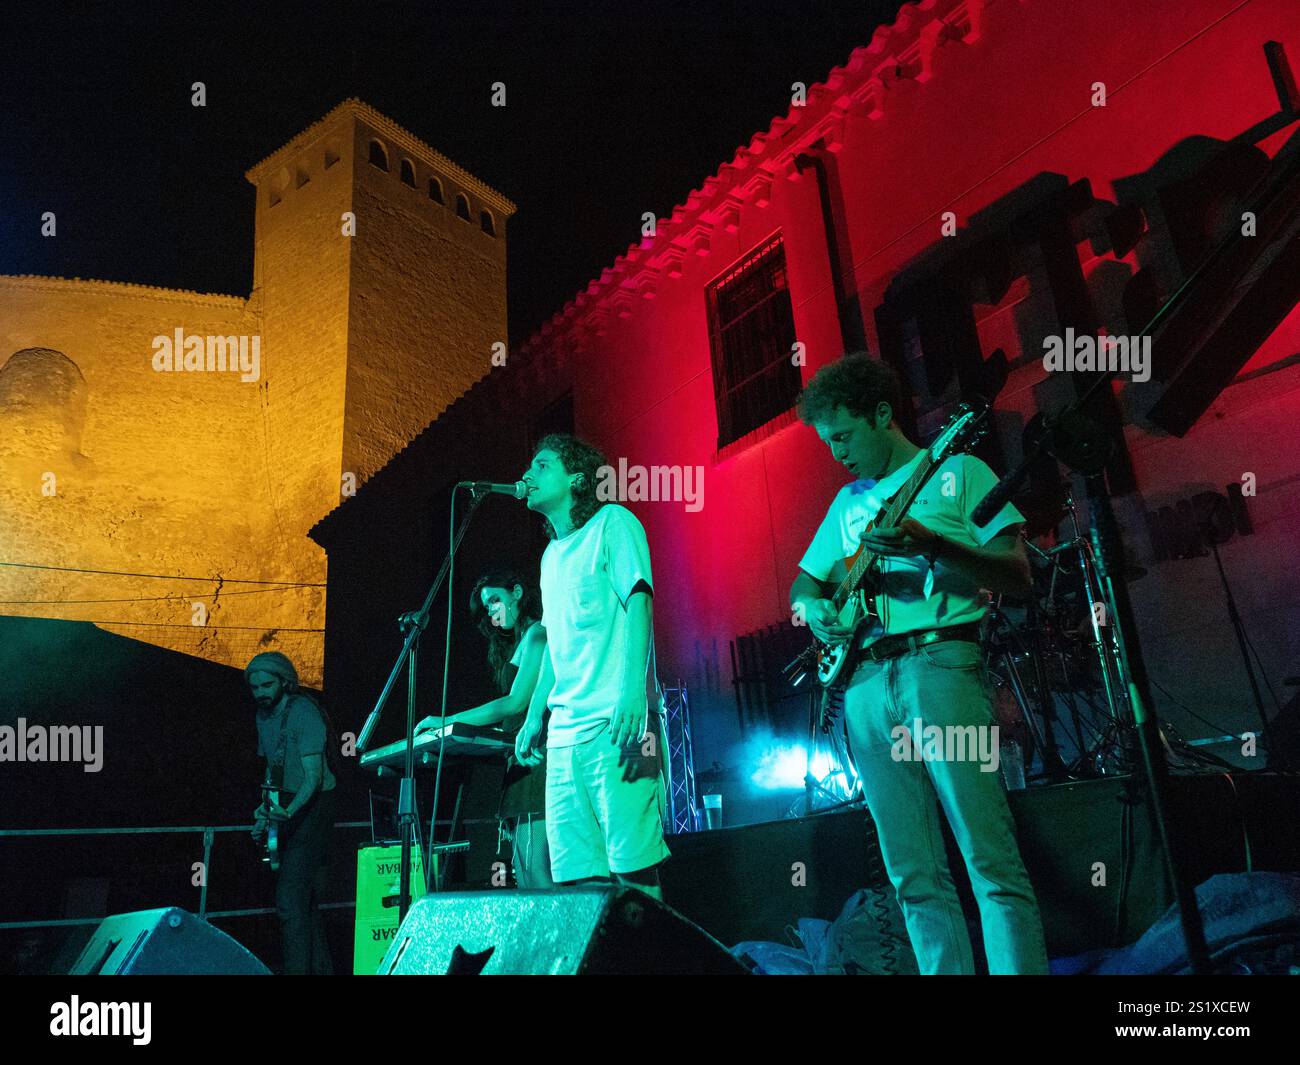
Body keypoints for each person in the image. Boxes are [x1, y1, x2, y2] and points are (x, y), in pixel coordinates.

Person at [789, 352, 1049, 975]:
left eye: (845, 436)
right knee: (912, 871)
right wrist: (814, 611)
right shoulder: (846, 503)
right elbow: (804, 586)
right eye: (829, 443)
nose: (838, 454)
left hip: (940, 664)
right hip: (865, 684)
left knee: (988, 856)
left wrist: (930, 544)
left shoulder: (959, 470)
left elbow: (1018, 574)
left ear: (883, 414)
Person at [514, 434, 669, 899]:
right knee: (581, 879)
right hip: (564, 737)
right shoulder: (549, 557)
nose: (528, 475)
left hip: (616, 723)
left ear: (577, 477)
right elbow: (557, 650)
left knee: (634, 873)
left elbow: (639, 600)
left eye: (542, 465)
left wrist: (633, 691)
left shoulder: (612, 523)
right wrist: (532, 716)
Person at [415, 568, 554, 888]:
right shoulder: (516, 643)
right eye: (487, 605)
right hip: (517, 760)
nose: (491, 610)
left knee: (536, 869)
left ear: (517, 593)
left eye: (495, 599)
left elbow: (514, 703)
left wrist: (446, 721)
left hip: (535, 756)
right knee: (525, 870)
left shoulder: (536, 633)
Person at [247, 651, 337, 975]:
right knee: (304, 903)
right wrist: (265, 811)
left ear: (285, 682)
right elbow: (273, 771)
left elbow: (313, 777)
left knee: (288, 899)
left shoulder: (304, 712)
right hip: (287, 804)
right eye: (255, 687)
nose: (260, 692)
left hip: (315, 805)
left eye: (267, 685)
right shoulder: (263, 717)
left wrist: (287, 812)